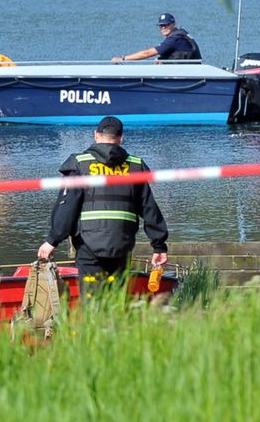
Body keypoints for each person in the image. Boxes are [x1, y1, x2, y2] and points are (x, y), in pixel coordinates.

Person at [36, 116, 169, 291]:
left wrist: (52, 240)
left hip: (88, 245)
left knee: (93, 301)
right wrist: (158, 245)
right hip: (122, 244)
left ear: (96, 135)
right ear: (121, 138)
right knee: (115, 299)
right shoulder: (135, 166)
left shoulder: (80, 164)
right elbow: (149, 207)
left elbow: (67, 205)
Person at [111, 12, 201, 63]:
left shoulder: (175, 38)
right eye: (161, 26)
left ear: (174, 24)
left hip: (189, 75)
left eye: (166, 25)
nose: (163, 28)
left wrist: (123, 59)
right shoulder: (181, 34)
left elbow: (147, 53)